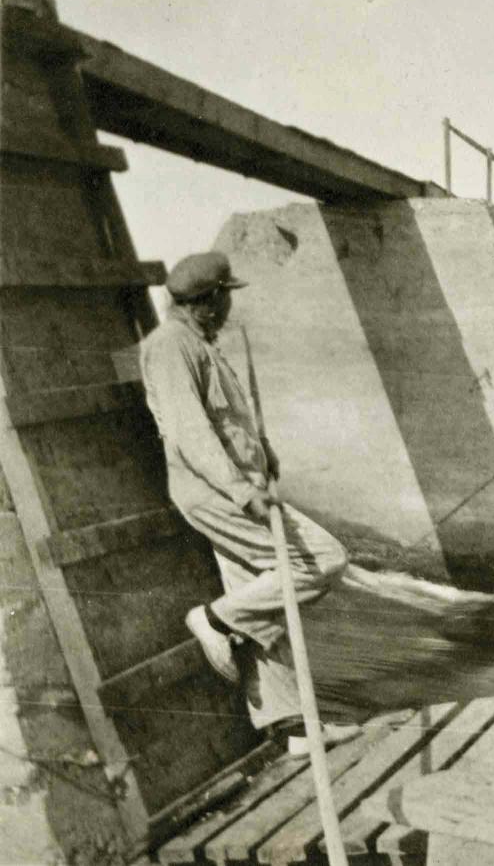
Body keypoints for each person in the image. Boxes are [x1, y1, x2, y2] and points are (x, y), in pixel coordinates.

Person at [140, 251, 357, 751]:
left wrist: (264, 451)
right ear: (209, 302)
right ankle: (214, 619)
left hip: (236, 484)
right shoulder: (171, 347)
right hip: (216, 492)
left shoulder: (199, 343)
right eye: (226, 296)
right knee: (321, 559)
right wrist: (243, 491)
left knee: (265, 601)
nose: (230, 307)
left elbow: (226, 420)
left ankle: (295, 727)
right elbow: (190, 433)